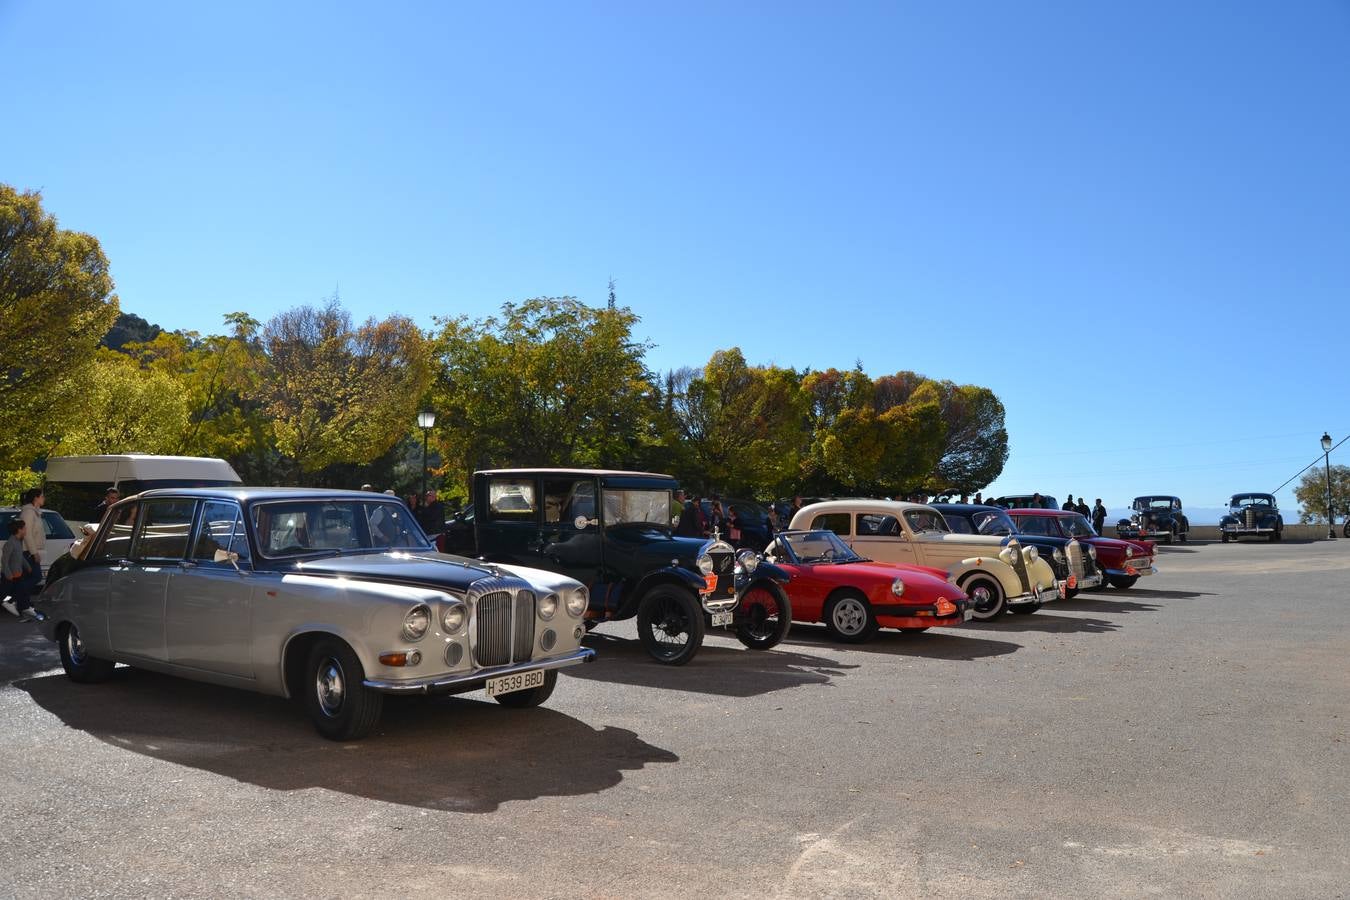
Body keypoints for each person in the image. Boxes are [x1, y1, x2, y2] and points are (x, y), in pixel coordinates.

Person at [2, 519, 41, 622]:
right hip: (10, 576)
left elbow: (21, 557)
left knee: (21, 594)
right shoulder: (10, 543)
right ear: (19, 530)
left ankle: (25, 615)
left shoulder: (18, 541)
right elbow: (4, 560)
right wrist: (8, 574)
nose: (26, 530)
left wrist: (28, 566)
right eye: (24, 528)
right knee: (5, 595)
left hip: (18, 575)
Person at [19, 488, 46, 581]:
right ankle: (17, 594)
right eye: (42, 496)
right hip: (28, 552)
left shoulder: (35, 512)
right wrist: (34, 553)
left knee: (28, 578)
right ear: (36, 498)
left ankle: (20, 595)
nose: (44, 498)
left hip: (31, 552)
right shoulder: (28, 512)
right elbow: (27, 534)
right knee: (36, 577)